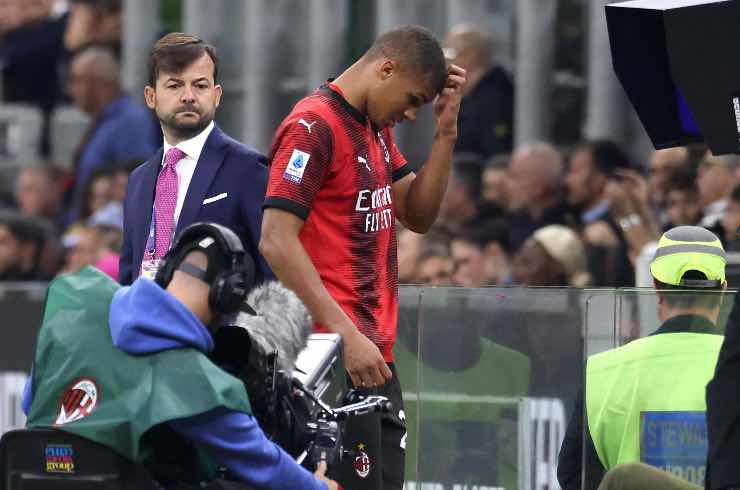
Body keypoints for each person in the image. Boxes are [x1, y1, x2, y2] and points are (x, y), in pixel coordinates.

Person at [259, 24, 466, 490]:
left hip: (373, 356)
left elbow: (418, 215)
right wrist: (345, 335)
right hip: (325, 359)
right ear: (386, 69)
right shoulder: (313, 127)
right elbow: (275, 240)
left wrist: (447, 132)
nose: (411, 113)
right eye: (412, 99)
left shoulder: (373, 129)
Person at [22, 222, 338, 490]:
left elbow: (31, 403)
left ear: (167, 270)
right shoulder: (196, 380)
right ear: (228, 297)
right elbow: (263, 464)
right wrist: (319, 486)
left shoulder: (78, 306)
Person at [557, 225, 728, 490]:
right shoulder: (732, 367)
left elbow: (573, 476)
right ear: (723, 290)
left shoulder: (602, 370)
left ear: (656, 288)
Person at [120, 32, 272, 285]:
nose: (188, 96)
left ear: (217, 95)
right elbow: (128, 277)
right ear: (151, 97)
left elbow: (273, 274)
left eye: (200, 86)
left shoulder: (248, 170)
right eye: (174, 85)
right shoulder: (138, 180)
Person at [67, 45, 160, 198]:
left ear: (100, 83)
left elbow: (138, 183)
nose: (70, 90)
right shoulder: (103, 121)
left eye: (76, 80)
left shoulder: (130, 123)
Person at [443, 23, 513, 159]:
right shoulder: (467, 97)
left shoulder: (496, 98)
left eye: (449, 52)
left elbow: (495, 154)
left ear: (471, 56)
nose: (445, 60)